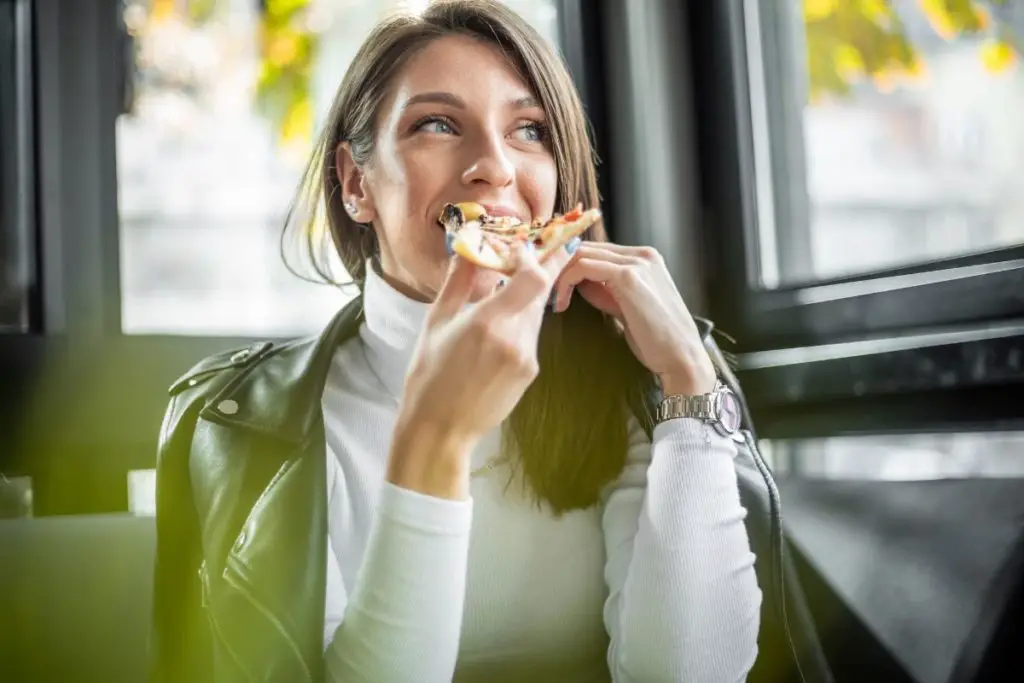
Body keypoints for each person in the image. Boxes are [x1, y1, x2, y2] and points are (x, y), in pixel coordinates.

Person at [148, 1, 774, 681]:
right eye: (438, 124)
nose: (495, 169)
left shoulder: (627, 380)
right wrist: (435, 438)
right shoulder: (248, 427)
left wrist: (688, 377)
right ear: (357, 183)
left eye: (529, 129)